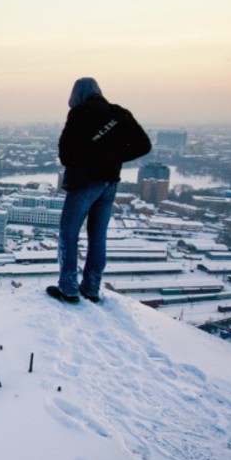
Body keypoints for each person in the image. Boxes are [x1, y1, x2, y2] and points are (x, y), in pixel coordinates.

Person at [47, 77, 151, 304]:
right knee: (97, 237)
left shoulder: (79, 114)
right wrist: (113, 157)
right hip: (109, 183)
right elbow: (144, 145)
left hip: (85, 183)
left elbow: (65, 154)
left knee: (68, 234)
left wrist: (89, 160)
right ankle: (92, 288)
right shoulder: (119, 113)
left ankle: (68, 289)